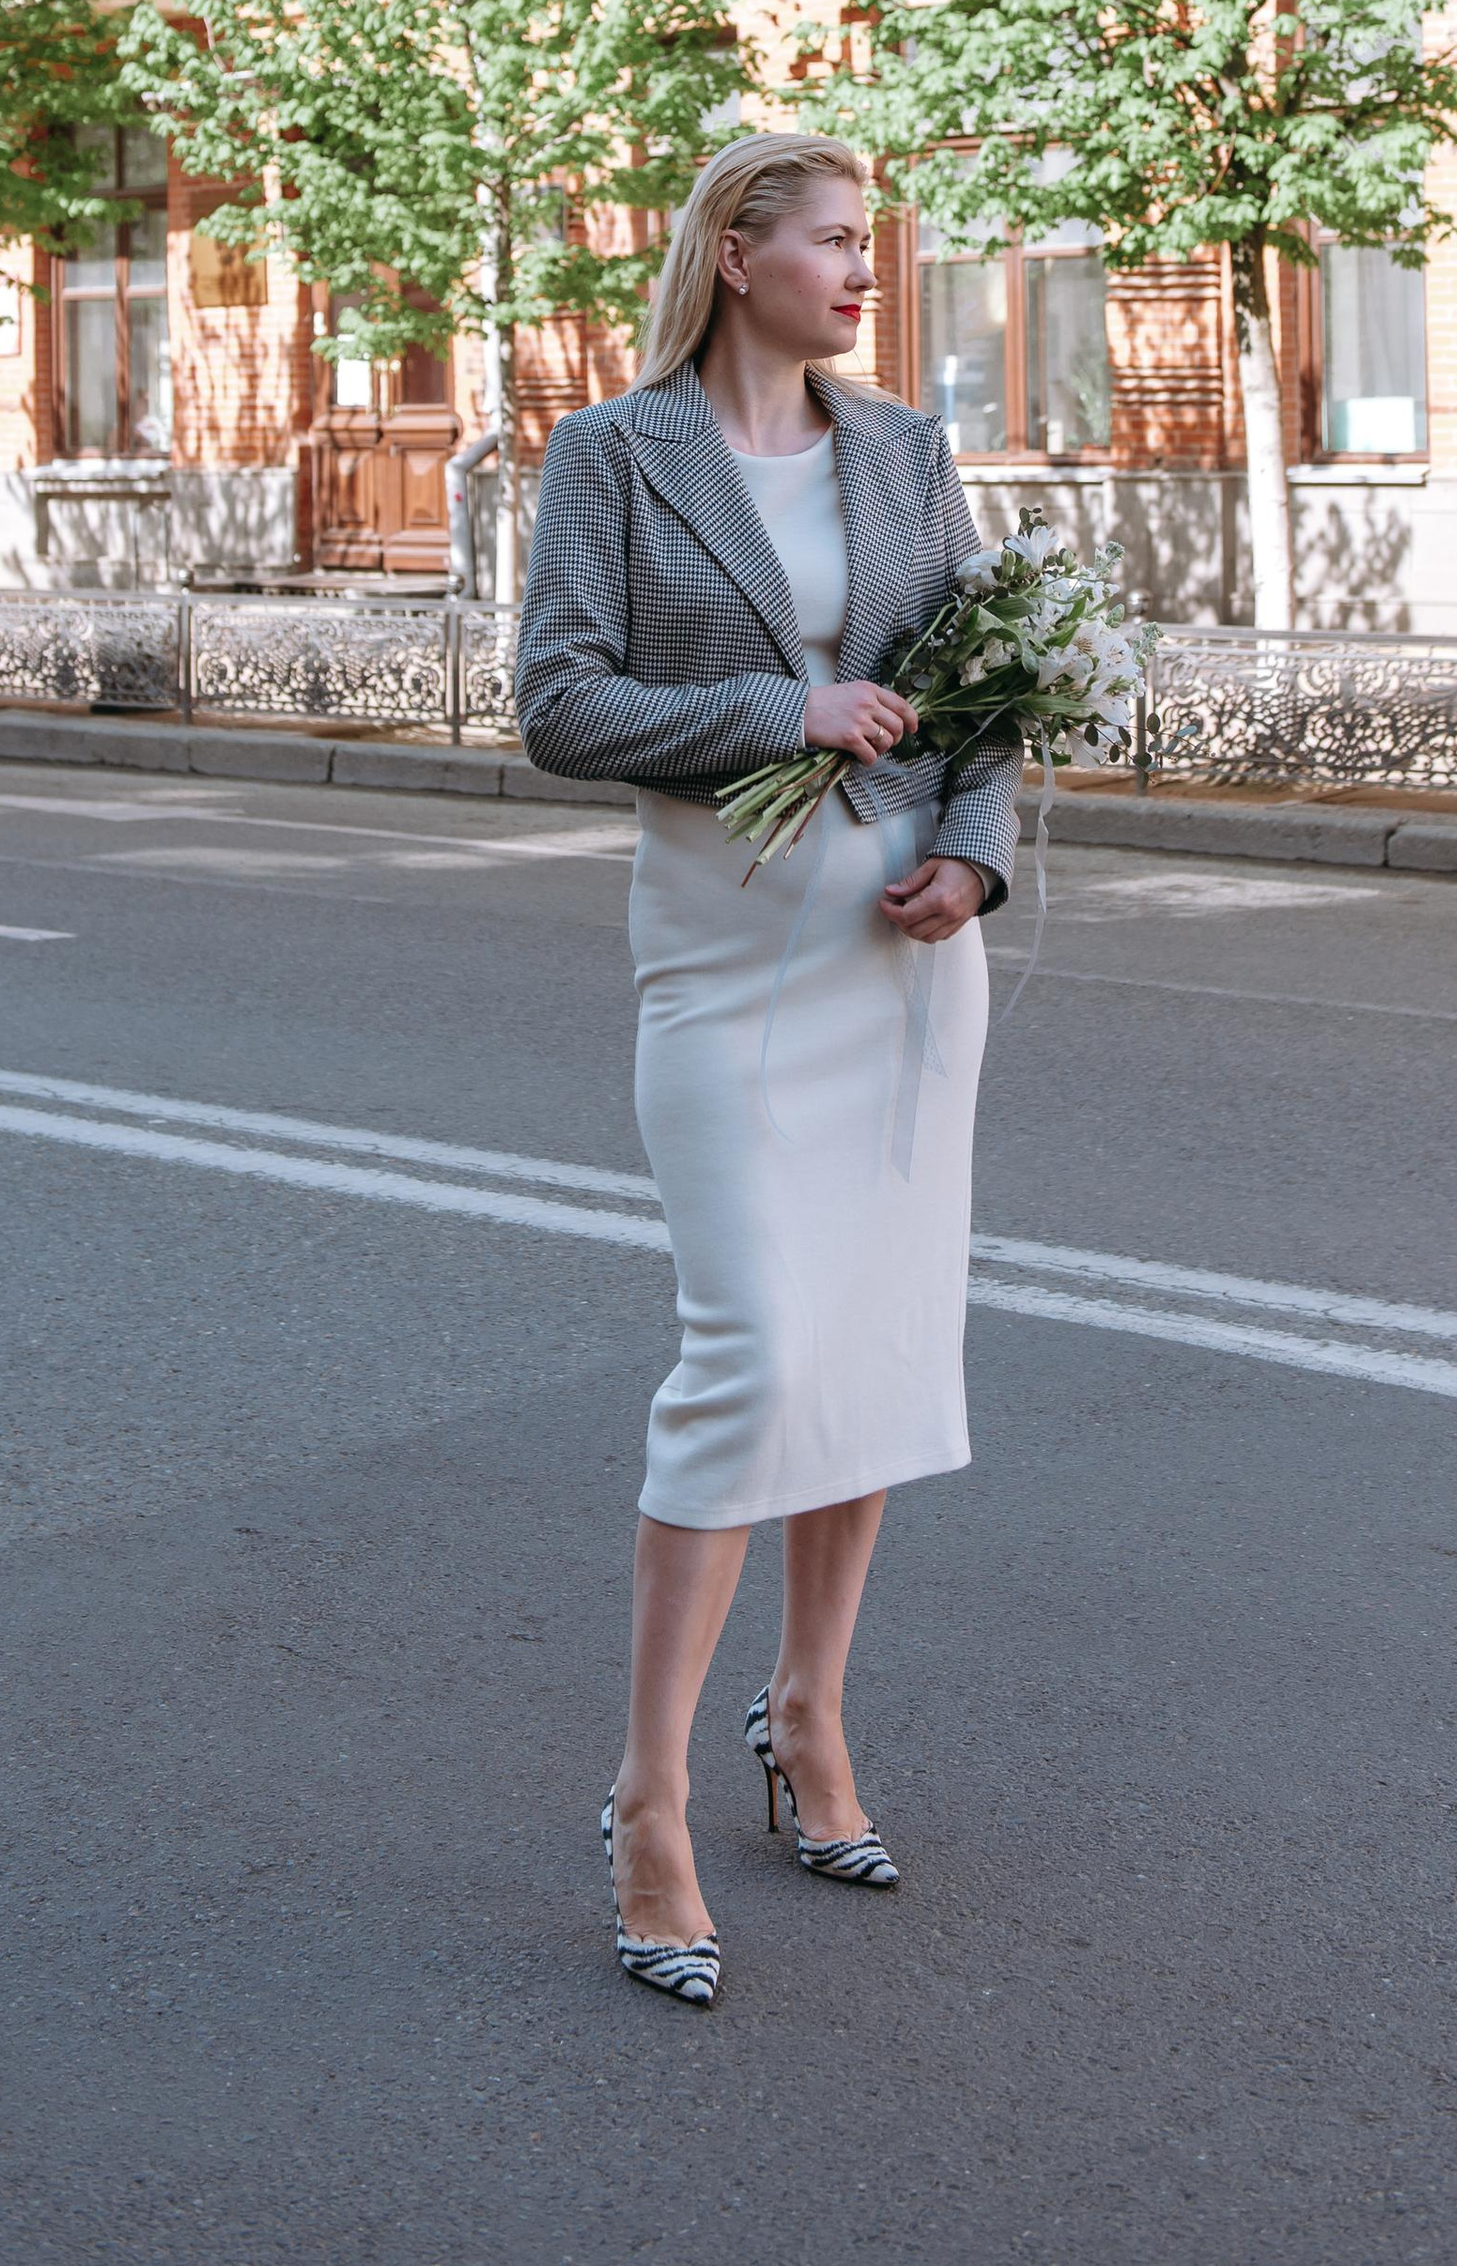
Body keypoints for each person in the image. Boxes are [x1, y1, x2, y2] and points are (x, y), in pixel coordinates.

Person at [516, 132, 1017, 2009]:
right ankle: (648, 1796)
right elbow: (561, 700)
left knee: (874, 1345)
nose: (864, 272)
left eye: (868, 245)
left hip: (900, 975)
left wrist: (972, 852)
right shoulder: (616, 455)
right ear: (736, 253)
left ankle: (807, 1714)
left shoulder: (901, 449)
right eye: (831, 241)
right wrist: (777, 709)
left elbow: (978, 693)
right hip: (727, 968)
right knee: (753, 1350)